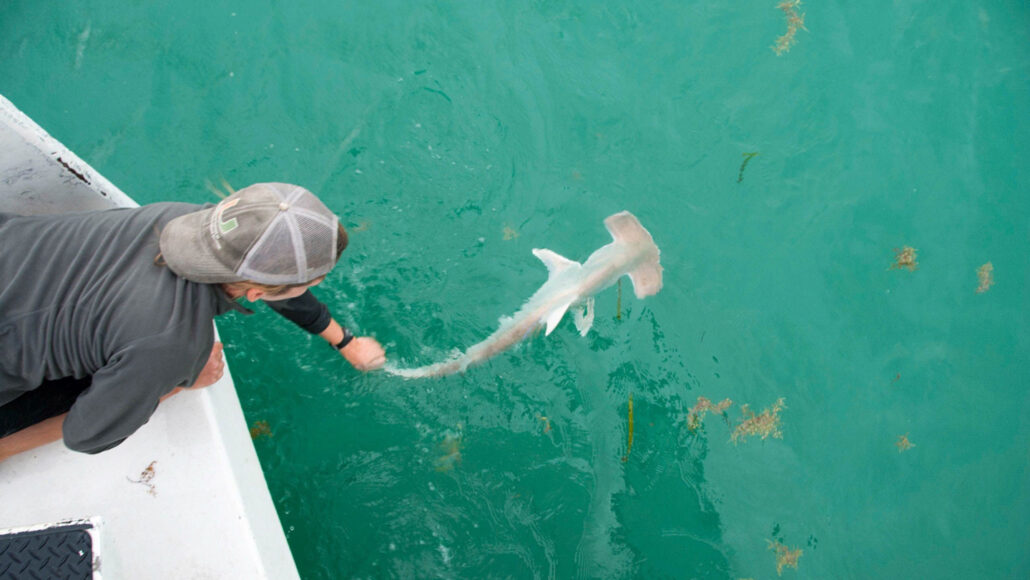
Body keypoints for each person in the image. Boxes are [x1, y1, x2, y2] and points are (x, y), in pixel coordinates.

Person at [0, 182, 385, 461]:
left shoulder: (180, 217)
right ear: (256, 292)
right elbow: (86, 435)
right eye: (313, 281)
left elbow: (262, 267)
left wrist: (343, 340)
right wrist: (179, 384)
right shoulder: (172, 344)